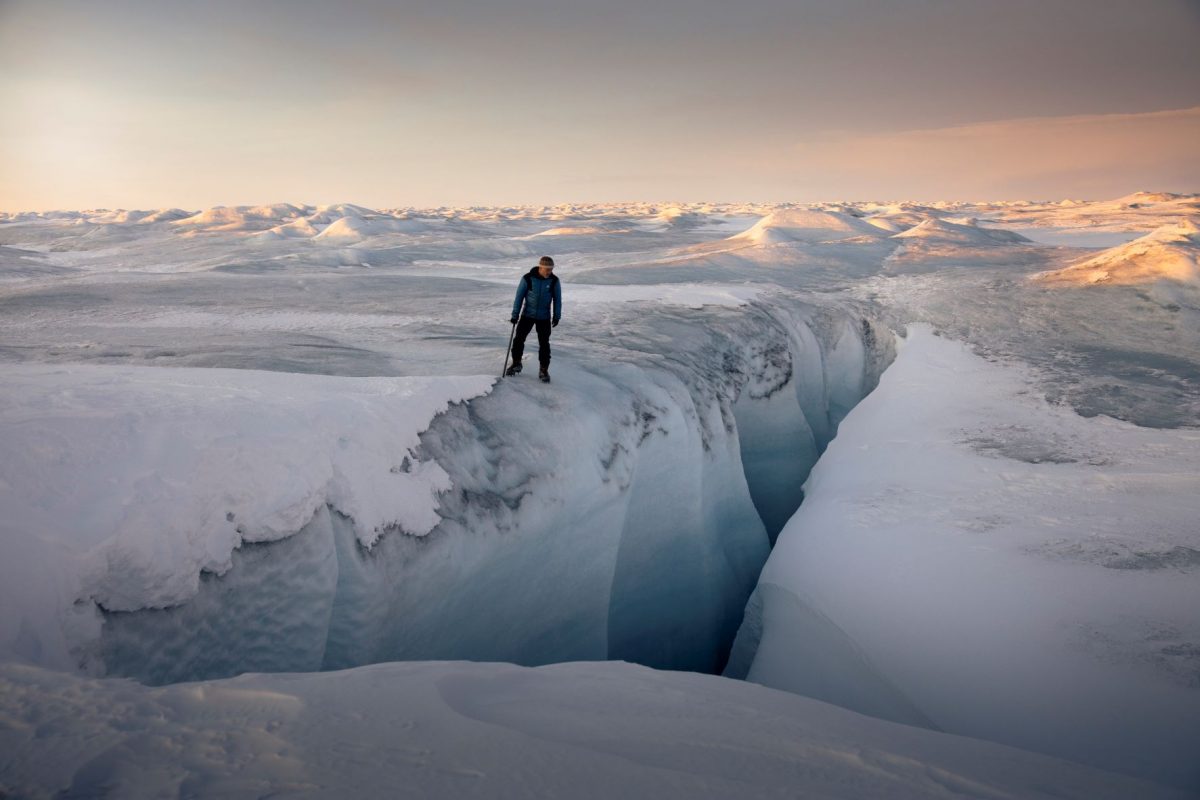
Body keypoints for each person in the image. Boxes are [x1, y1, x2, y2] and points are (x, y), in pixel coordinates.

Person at [507, 255, 561, 382]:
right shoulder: (528, 278)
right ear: (541, 267)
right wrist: (515, 315)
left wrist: (556, 316)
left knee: (544, 344)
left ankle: (543, 370)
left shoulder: (554, 280)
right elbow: (519, 297)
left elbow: (557, 299)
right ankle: (516, 363)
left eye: (551, 269)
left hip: (544, 317)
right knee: (518, 339)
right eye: (547, 269)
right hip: (527, 315)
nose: (549, 272)